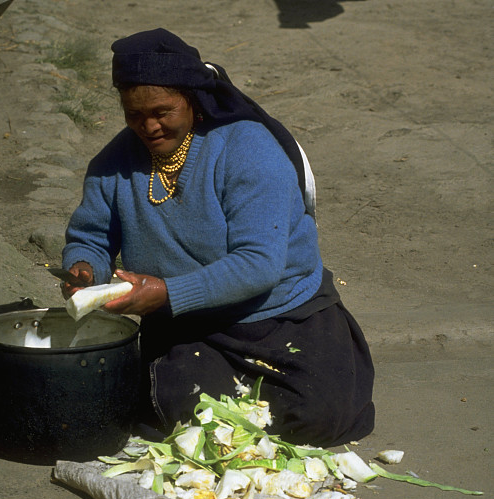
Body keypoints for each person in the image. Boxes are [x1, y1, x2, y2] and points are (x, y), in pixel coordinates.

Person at [62, 28, 375, 447]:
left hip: (283, 319)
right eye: (134, 115)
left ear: (192, 99)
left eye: (162, 111)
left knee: (314, 417)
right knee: (193, 424)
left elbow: (259, 264)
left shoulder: (248, 150)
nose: (149, 126)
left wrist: (165, 293)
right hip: (190, 329)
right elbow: (92, 235)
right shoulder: (112, 164)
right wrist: (84, 268)